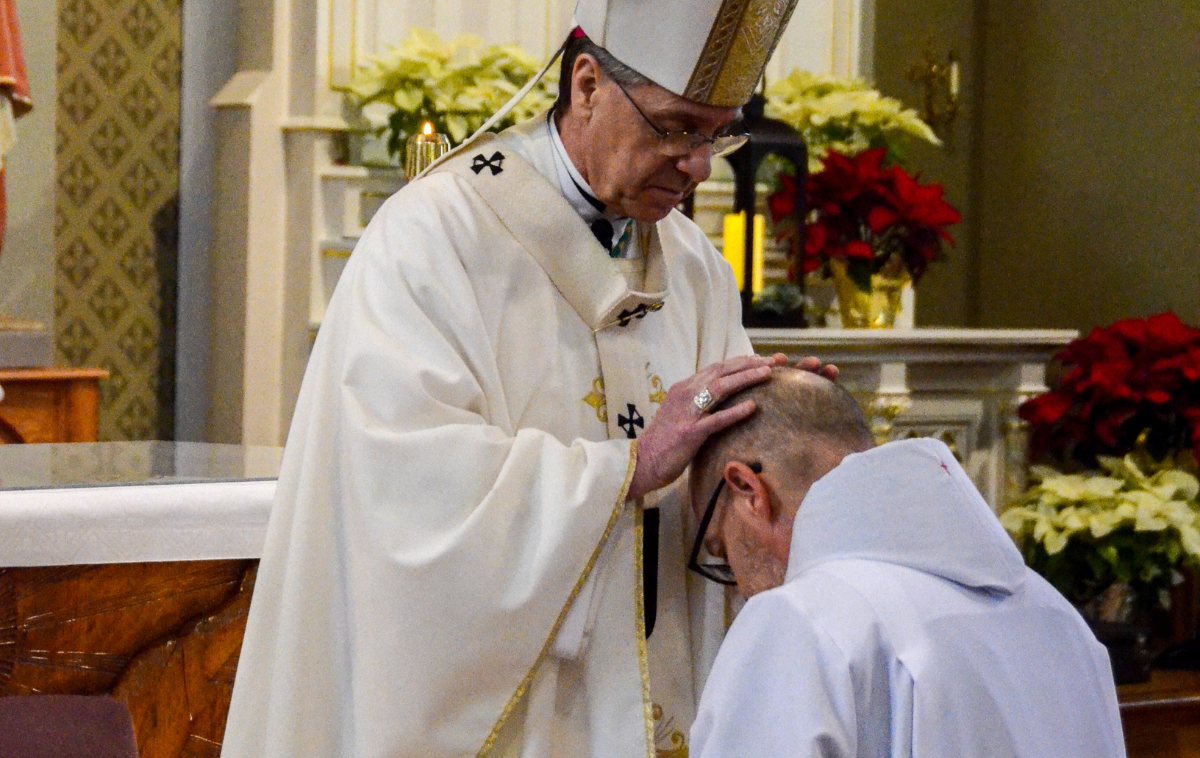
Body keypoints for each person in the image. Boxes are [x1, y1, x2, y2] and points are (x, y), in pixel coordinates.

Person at [220, 2, 823, 757]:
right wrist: (626, 470)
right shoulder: (432, 238)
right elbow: (401, 492)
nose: (700, 164)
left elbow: (712, 477)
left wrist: (778, 423)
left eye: (717, 133)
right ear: (586, 83)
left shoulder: (694, 266)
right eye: (674, 128)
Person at [688, 368, 1127, 758]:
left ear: (747, 489)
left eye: (721, 550)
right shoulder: (1055, 612)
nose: (739, 588)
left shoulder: (797, 619)